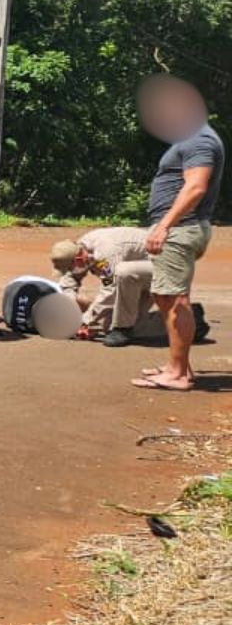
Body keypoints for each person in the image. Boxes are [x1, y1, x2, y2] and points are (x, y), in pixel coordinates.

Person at [133, 76, 223, 391]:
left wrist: (164, 225)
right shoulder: (191, 138)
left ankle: (178, 374)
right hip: (179, 228)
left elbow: (196, 186)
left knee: (175, 299)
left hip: (181, 229)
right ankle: (178, 364)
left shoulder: (200, 140)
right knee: (166, 296)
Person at [50, 228, 164, 347]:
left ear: (78, 260)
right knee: (108, 324)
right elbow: (69, 280)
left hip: (162, 267)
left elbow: (110, 288)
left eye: (69, 268)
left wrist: (84, 320)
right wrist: (70, 310)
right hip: (135, 276)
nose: (69, 271)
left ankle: (173, 324)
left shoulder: (104, 254)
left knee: (127, 325)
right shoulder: (78, 249)